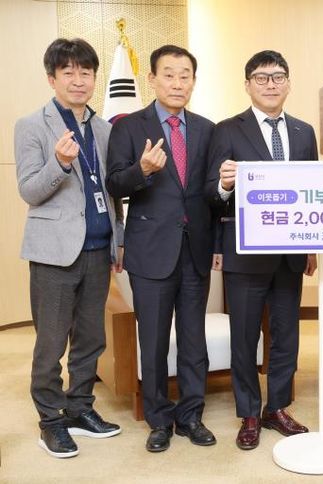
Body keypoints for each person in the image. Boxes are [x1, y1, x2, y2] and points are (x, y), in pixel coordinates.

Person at [15, 38, 124, 458]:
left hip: (98, 249)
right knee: (51, 343)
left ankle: (80, 408)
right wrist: (59, 164)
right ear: (52, 78)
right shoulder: (32, 125)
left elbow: (111, 192)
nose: (78, 80)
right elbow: (29, 190)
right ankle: (51, 420)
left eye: (86, 72)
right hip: (54, 254)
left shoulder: (104, 129)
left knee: (91, 339)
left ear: (95, 77)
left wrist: (119, 239)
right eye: (69, 72)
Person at [106, 45, 216, 452]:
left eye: (185, 75)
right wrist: (143, 170)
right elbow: (115, 183)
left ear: (193, 81)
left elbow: (211, 193)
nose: (177, 83)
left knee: (193, 340)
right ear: (152, 79)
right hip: (150, 250)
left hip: (196, 249)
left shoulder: (207, 129)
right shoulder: (128, 127)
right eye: (169, 74)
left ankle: (191, 416)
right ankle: (158, 419)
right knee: (152, 341)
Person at [207, 50, 318, 451]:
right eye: (262, 77)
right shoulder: (226, 130)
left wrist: (310, 246)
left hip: (290, 254)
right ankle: (250, 413)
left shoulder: (304, 132)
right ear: (248, 84)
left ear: (288, 83)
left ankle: (277, 408)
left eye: (278, 77)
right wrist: (224, 185)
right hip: (245, 254)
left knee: (287, 336)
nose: (271, 84)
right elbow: (210, 195)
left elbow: (310, 193)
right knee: (244, 336)